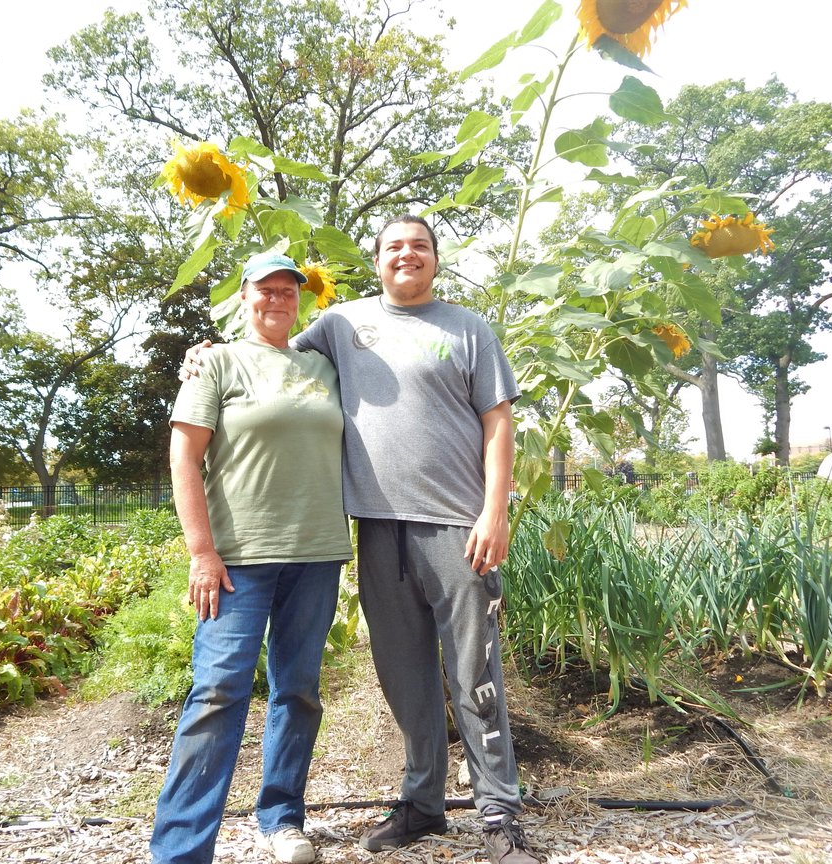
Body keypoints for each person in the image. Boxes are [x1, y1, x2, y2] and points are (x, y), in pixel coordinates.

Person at [186, 216, 543, 864]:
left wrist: (496, 512)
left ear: (436, 260)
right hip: (376, 529)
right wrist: (205, 352)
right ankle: (423, 803)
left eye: (421, 246)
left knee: (473, 672)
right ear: (376, 261)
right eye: (395, 247)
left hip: (456, 527)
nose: (408, 254)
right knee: (403, 674)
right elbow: (275, 352)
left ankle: (498, 812)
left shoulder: (467, 329)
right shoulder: (342, 326)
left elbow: (498, 423)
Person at [149, 252, 353, 864]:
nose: (277, 300)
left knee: (299, 691)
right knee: (216, 694)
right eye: (265, 290)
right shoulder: (215, 363)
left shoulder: (326, 365)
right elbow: (183, 458)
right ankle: (182, 850)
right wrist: (201, 552)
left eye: (288, 291)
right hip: (237, 562)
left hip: (316, 555)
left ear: (301, 300)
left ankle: (282, 819)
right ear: (243, 296)